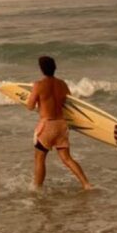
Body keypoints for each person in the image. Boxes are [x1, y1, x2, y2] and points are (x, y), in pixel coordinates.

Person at [26, 55, 92, 190]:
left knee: (39, 158)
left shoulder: (38, 85)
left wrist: (37, 100)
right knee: (67, 158)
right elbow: (69, 103)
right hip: (61, 125)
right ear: (54, 68)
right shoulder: (62, 84)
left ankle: (37, 189)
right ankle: (86, 184)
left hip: (47, 126)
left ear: (41, 69)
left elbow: (30, 106)